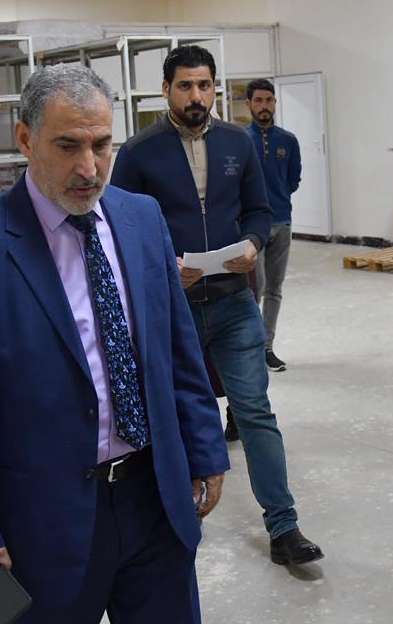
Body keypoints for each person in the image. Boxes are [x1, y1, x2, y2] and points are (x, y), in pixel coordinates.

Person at [0, 64, 229, 624]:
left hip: (153, 500)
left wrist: (205, 448)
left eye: (101, 145)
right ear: (25, 138)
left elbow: (176, 349)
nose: (89, 168)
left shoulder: (141, 218)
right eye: (67, 146)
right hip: (40, 523)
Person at [110, 45, 324, 567]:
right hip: (173, 310)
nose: (196, 96)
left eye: (204, 85)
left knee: (254, 410)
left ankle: (284, 526)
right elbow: (118, 226)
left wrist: (252, 243)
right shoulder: (138, 152)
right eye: (185, 86)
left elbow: (259, 210)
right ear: (166, 90)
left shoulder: (236, 142)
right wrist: (164, 265)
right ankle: (175, 518)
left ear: (214, 88)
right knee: (173, 414)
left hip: (232, 303)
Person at [245, 79, 301, 372]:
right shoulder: (241, 140)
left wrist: (277, 199)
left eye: (269, 100)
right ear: (249, 104)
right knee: (256, 288)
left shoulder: (288, 141)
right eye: (258, 100)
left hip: (282, 221)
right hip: (253, 227)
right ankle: (251, 347)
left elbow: (293, 179)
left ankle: (267, 347)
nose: (264, 106)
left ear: (274, 103)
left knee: (275, 288)